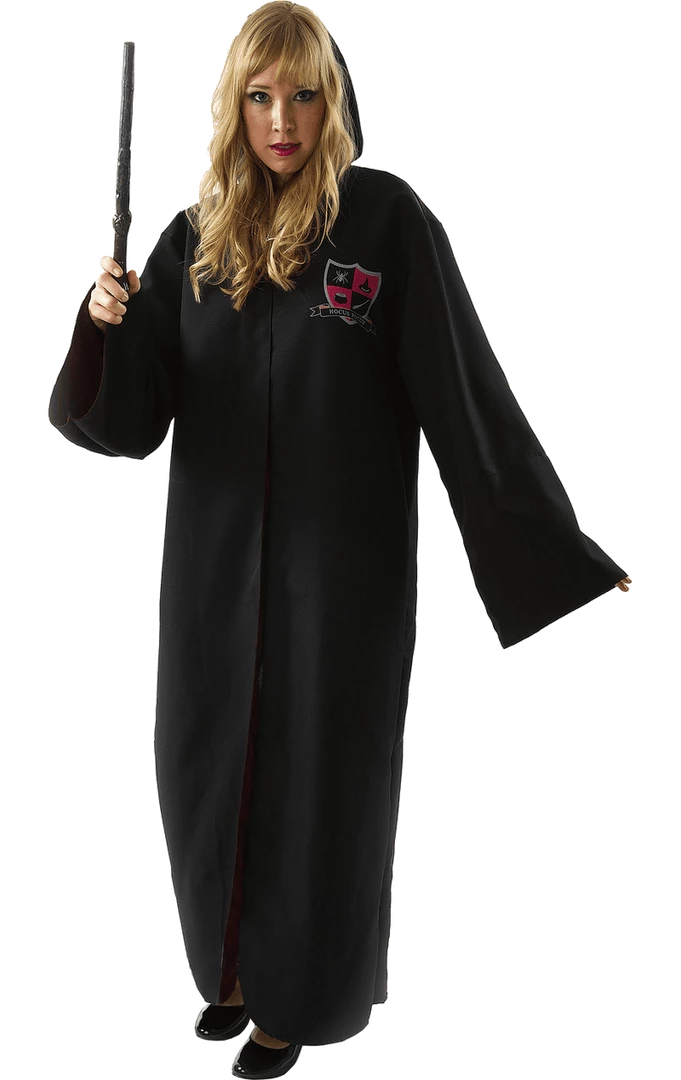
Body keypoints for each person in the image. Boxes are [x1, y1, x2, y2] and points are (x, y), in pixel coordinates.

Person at [48, 3, 632, 1078]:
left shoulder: (382, 222)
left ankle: (295, 1010)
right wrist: (103, 326)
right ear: (234, 107)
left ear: (335, 99)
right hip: (215, 576)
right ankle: (232, 975)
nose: (283, 120)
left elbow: (465, 395)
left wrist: (552, 550)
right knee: (205, 774)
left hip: (339, 578)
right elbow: (126, 426)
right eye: (261, 97)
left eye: (304, 95)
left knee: (320, 791)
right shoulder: (196, 238)